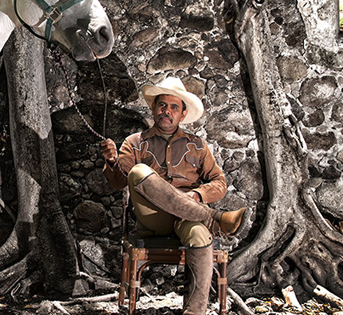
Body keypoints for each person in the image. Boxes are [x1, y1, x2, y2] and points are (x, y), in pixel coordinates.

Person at [100, 76, 247, 315]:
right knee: (138, 171)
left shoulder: (197, 145)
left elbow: (219, 182)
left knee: (200, 235)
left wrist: (198, 195)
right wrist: (111, 161)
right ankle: (213, 218)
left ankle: (194, 312)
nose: (167, 111)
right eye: (162, 105)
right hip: (153, 218)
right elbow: (118, 182)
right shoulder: (135, 143)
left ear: (182, 114)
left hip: (187, 218)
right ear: (153, 108)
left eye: (174, 107)